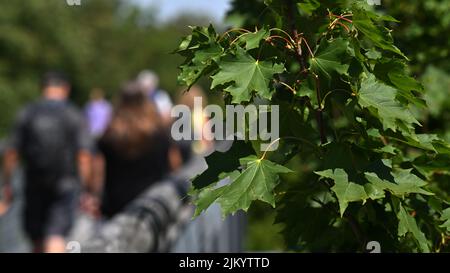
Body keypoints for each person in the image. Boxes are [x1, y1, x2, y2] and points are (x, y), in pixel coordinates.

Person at [0, 71, 93, 253]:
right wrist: (86, 188)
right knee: (55, 235)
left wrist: (7, 183)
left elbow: (11, 152)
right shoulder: (73, 114)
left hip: (34, 182)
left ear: (43, 88)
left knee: (37, 237)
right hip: (65, 183)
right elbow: (84, 155)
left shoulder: (28, 112)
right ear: (66, 88)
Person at [96, 82, 177, 219]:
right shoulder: (158, 134)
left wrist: (96, 197)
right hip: (153, 205)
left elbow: (98, 172)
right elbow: (173, 165)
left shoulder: (109, 136)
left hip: (117, 207)